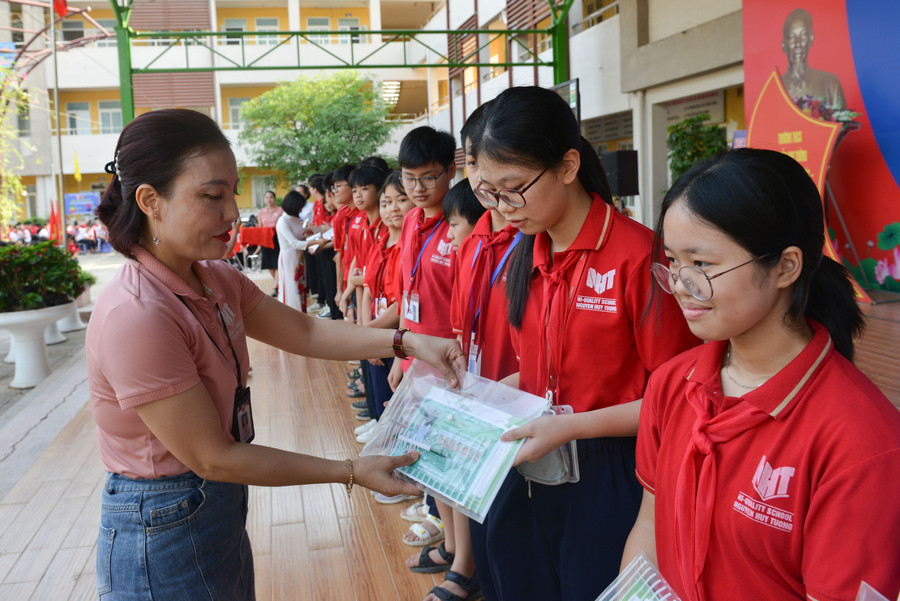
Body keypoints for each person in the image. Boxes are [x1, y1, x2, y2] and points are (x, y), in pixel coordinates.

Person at [87, 108, 467, 600]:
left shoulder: (211, 277)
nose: (231, 213)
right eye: (211, 196)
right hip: (162, 523)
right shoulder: (137, 315)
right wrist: (351, 471)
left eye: (233, 192)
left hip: (212, 503)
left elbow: (306, 332)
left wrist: (408, 341)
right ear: (149, 201)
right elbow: (214, 456)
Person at [621, 148, 900, 601]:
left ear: (786, 266)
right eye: (672, 261)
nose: (678, 284)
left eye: (703, 265)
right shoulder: (674, 384)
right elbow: (651, 525)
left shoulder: (862, 442)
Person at [469, 86, 698, 601]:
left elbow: (678, 399)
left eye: (512, 189)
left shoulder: (638, 258)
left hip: (611, 472)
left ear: (568, 165)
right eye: (489, 193)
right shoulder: (527, 253)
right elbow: (532, 370)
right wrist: (473, 396)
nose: (503, 209)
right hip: (533, 460)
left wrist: (571, 426)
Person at [780, 8, 846, 109]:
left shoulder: (830, 84)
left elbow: (843, 123)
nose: (798, 44)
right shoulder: (776, 87)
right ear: (784, 45)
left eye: (803, 35)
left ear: (811, 39)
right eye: (792, 37)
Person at [275, 190, 310, 312]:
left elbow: (301, 237)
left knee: (301, 284)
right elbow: (294, 243)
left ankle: (301, 312)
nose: (301, 210)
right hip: (289, 257)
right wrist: (314, 243)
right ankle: (292, 314)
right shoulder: (282, 221)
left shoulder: (296, 219)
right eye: (300, 207)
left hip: (299, 256)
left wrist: (309, 236)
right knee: (291, 286)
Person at [257, 190, 283, 295]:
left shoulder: (280, 210)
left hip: (277, 239)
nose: (269, 199)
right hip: (265, 239)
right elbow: (260, 226)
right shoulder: (261, 212)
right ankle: (279, 283)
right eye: (267, 197)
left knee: (277, 264)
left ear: (275, 199)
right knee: (269, 265)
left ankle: (275, 287)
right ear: (264, 200)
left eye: (271, 197)